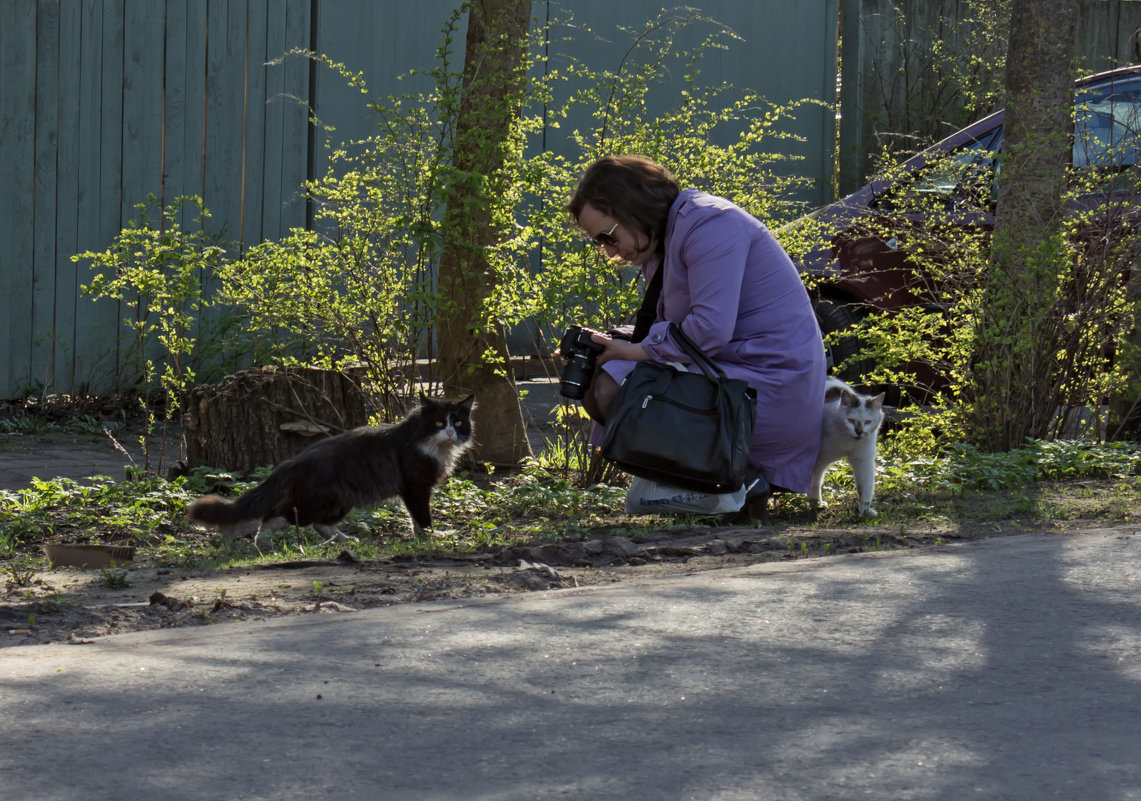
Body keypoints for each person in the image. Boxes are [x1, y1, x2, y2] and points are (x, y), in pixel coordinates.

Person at [567, 155, 826, 504]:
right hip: (734, 376)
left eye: (608, 236)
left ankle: (732, 481)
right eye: (598, 242)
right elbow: (675, 330)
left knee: (615, 386)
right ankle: (706, 485)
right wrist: (609, 342)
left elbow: (708, 331)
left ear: (634, 208)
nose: (607, 251)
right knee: (599, 372)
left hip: (768, 392)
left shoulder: (711, 225)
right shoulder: (670, 238)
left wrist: (633, 351)